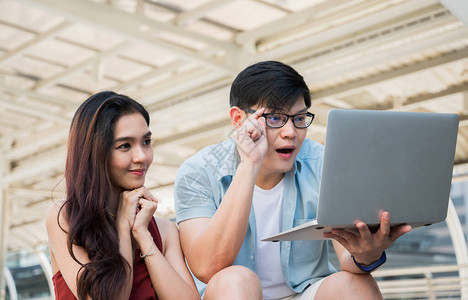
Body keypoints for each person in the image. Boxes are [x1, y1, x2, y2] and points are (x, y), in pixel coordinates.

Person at [174, 61, 412, 300]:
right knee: (236, 280)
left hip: (303, 291)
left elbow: (347, 260)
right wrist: (249, 166)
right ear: (238, 119)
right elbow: (206, 268)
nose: (291, 132)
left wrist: (365, 255)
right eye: (275, 118)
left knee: (357, 286)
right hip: (233, 293)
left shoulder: (322, 163)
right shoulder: (199, 172)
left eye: (299, 118)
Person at [46, 91, 200, 300]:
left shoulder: (163, 231)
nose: (142, 156)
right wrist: (122, 227)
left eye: (146, 142)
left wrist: (143, 237)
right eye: (124, 146)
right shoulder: (65, 218)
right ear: (96, 153)